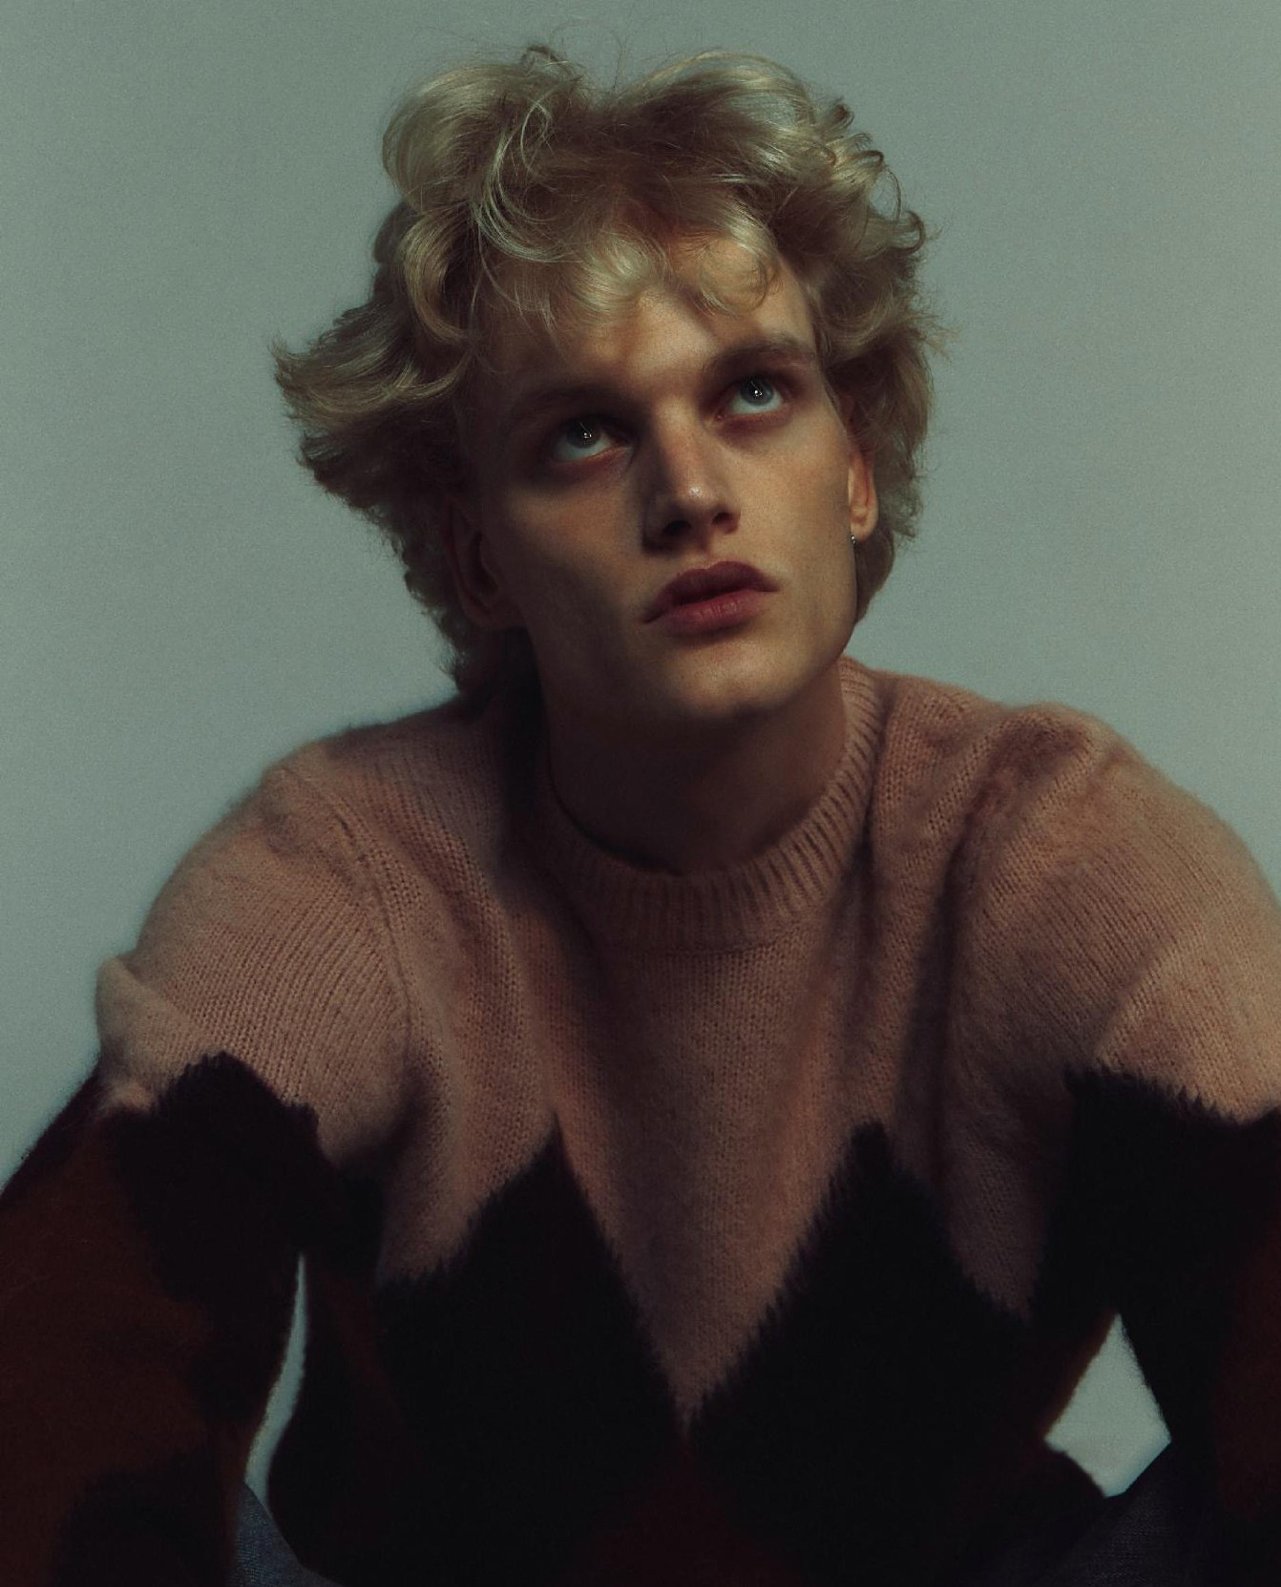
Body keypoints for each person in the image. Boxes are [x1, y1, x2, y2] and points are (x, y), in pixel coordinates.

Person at [2, 39, 1279, 1587]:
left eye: (753, 393)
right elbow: (66, 1370)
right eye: (583, 435)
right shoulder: (354, 871)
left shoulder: (1049, 848)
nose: (688, 490)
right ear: (478, 557)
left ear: (853, 468)